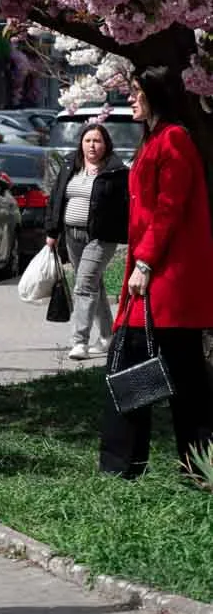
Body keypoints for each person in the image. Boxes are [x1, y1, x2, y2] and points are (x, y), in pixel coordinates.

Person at [99, 66, 213, 480]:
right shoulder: (155, 138)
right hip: (152, 278)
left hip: (168, 281)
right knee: (139, 372)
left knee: (182, 381)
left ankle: (195, 467)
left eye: (135, 92)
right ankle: (128, 465)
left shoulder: (175, 139)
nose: (130, 99)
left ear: (155, 94)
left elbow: (169, 211)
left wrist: (144, 262)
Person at [45, 122, 129, 360]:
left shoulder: (116, 172)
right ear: (81, 143)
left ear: (106, 145)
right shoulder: (71, 165)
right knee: (94, 285)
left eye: (98, 141)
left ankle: (79, 341)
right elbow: (57, 197)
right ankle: (107, 337)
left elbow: (126, 205)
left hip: (101, 237)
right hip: (72, 235)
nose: (92, 146)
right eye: (88, 141)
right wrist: (52, 232)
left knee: (83, 285)